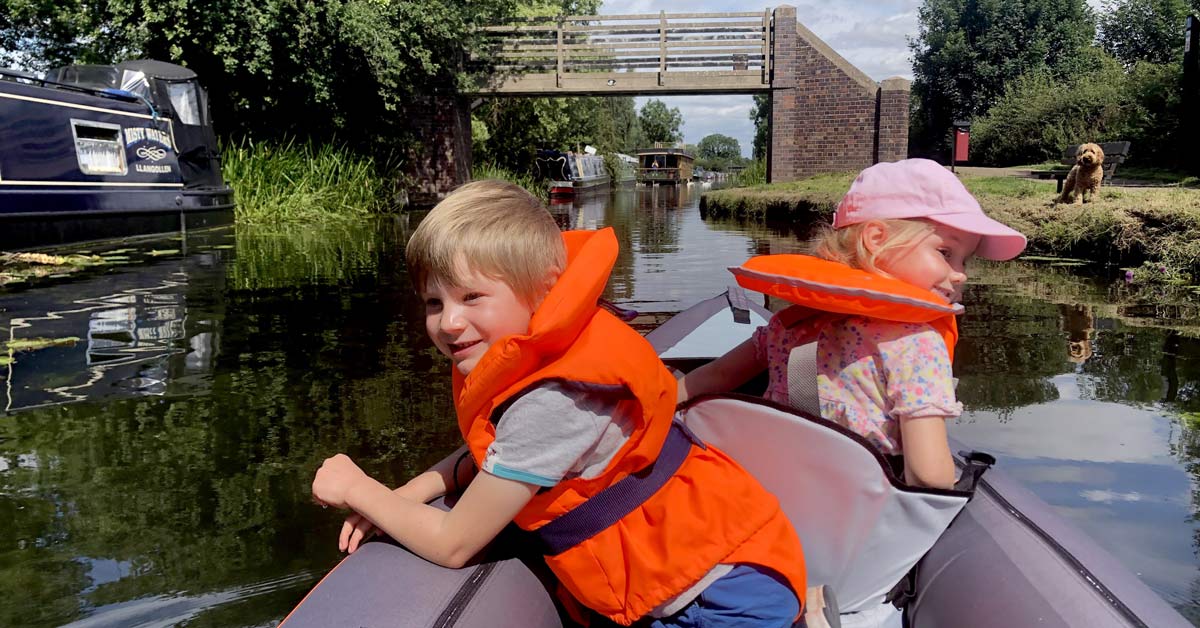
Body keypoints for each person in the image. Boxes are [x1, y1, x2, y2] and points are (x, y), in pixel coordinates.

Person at [311, 180, 811, 627]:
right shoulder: (546, 358)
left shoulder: (552, 402)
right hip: (710, 574)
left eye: (471, 297)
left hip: (725, 595)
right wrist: (405, 495)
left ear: (544, 288)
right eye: (434, 302)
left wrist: (358, 487)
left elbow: (454, 543)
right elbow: (483, 459)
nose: (448, 323)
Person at [677, 159, 1026, 489]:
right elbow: (927, 475)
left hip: (771, 487)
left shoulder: (790, 323)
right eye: (945, 253)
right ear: (876, 240)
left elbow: (711, 379)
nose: (961, 272)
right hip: (856, 517)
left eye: (965, 259)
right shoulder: (917, 344)